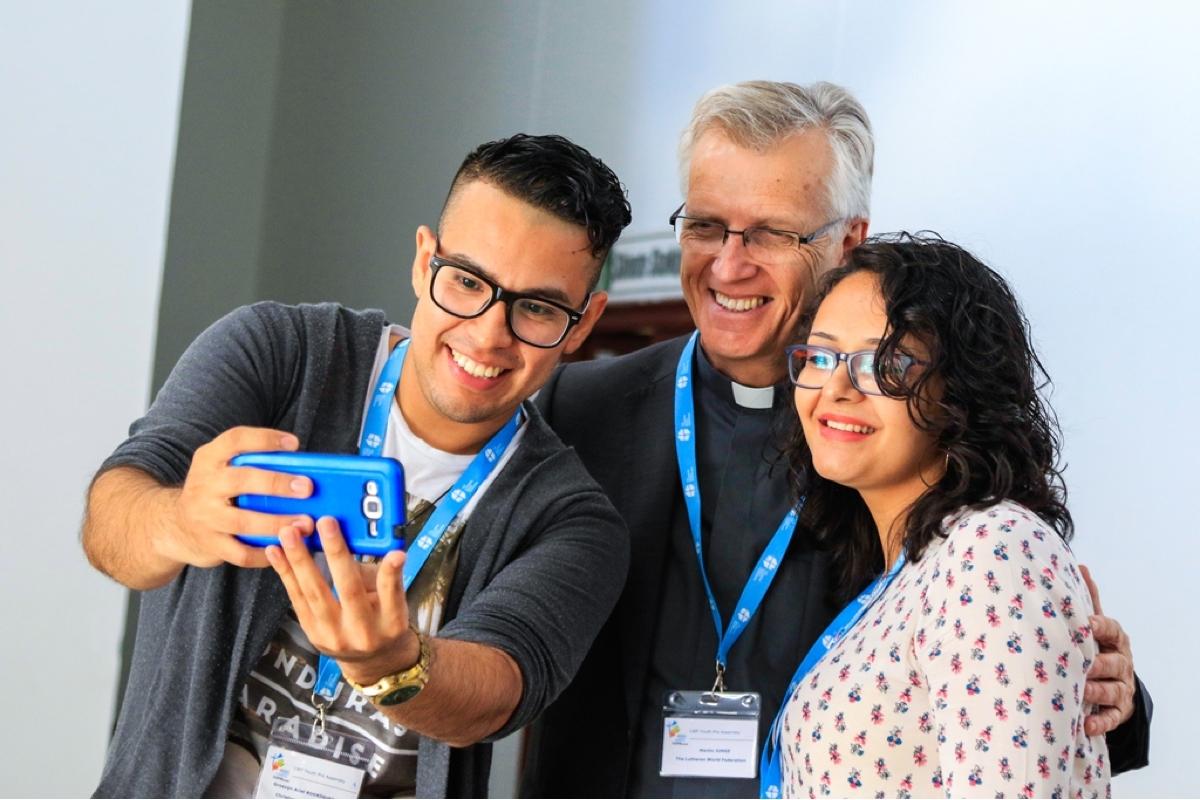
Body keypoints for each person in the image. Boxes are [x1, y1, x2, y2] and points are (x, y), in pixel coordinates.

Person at [522, 81, 1148, 797]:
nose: (728, 265)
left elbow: (1010, 671)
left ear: (849, 240)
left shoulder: (886, 433)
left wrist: (1114, 691)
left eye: (770, 233)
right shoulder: (583, 404)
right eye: (705, 226)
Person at [81, 133, 633, 798]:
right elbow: (110, 524)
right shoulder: (279, 353)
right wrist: (180, 522)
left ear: (582, 324)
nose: (489, 333)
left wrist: (393, 664)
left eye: (537, 308)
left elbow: (497, 689)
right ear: (424, 260)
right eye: (466, 281)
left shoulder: (572, 520)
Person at [771, 233, 1108, 797]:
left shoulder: (993, 550)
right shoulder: (905, 566)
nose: (835, 388)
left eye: (886, 363)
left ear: (961, 390)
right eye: (820, 355)